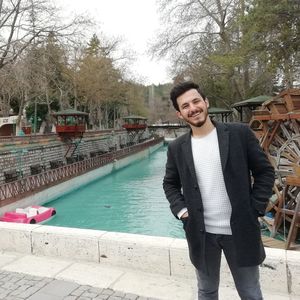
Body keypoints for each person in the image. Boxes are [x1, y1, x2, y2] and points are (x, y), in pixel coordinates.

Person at [163, 81, 275, 300]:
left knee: (250, 293)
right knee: (206, 291)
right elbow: (170, 184)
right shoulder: (177, 148)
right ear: (180, 114)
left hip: (240, 230)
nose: (192, 108)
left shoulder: (239, 134)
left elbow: (265, 172)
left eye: (196, 101)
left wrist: (255, 209)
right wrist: (182, 212)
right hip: (201, 234)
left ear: (206, 102)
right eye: (185, 106)